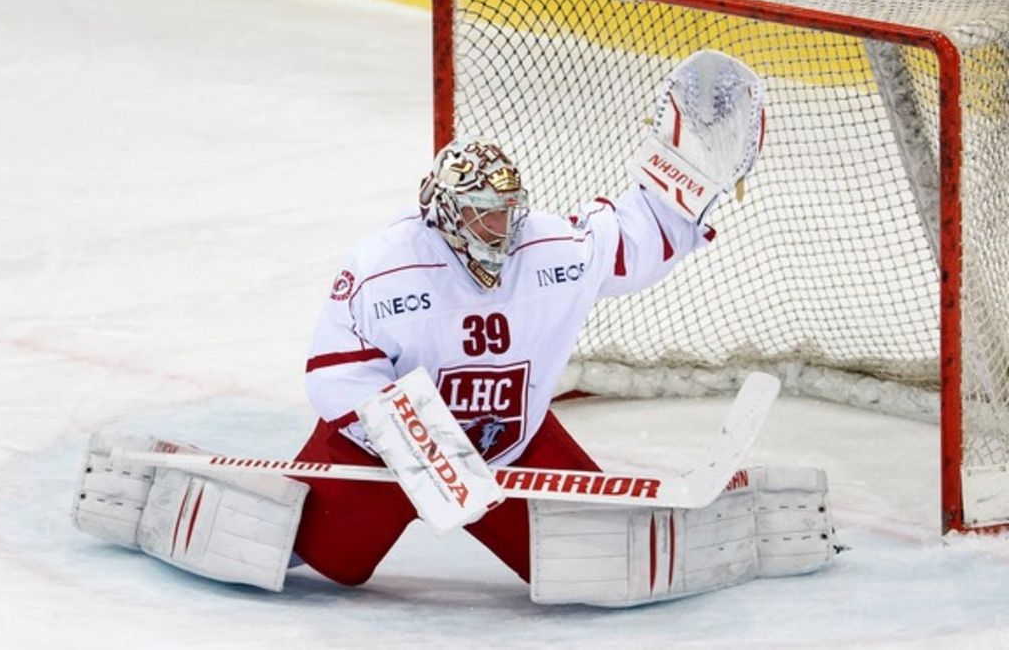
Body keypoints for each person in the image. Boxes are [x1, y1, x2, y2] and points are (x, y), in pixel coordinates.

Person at [72, 50, 837, 607]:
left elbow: (631, 239)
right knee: (328, 560)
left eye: (506, 212)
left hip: (511, 446)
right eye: (480, 215)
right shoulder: (384, 267)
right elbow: (335, 370)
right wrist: (419, 442)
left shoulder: (551, 250)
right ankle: (161, 500)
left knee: (591, 557)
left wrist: (685, 178)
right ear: (443, 212)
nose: (498, 230)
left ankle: (757, 523)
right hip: (386, 454)